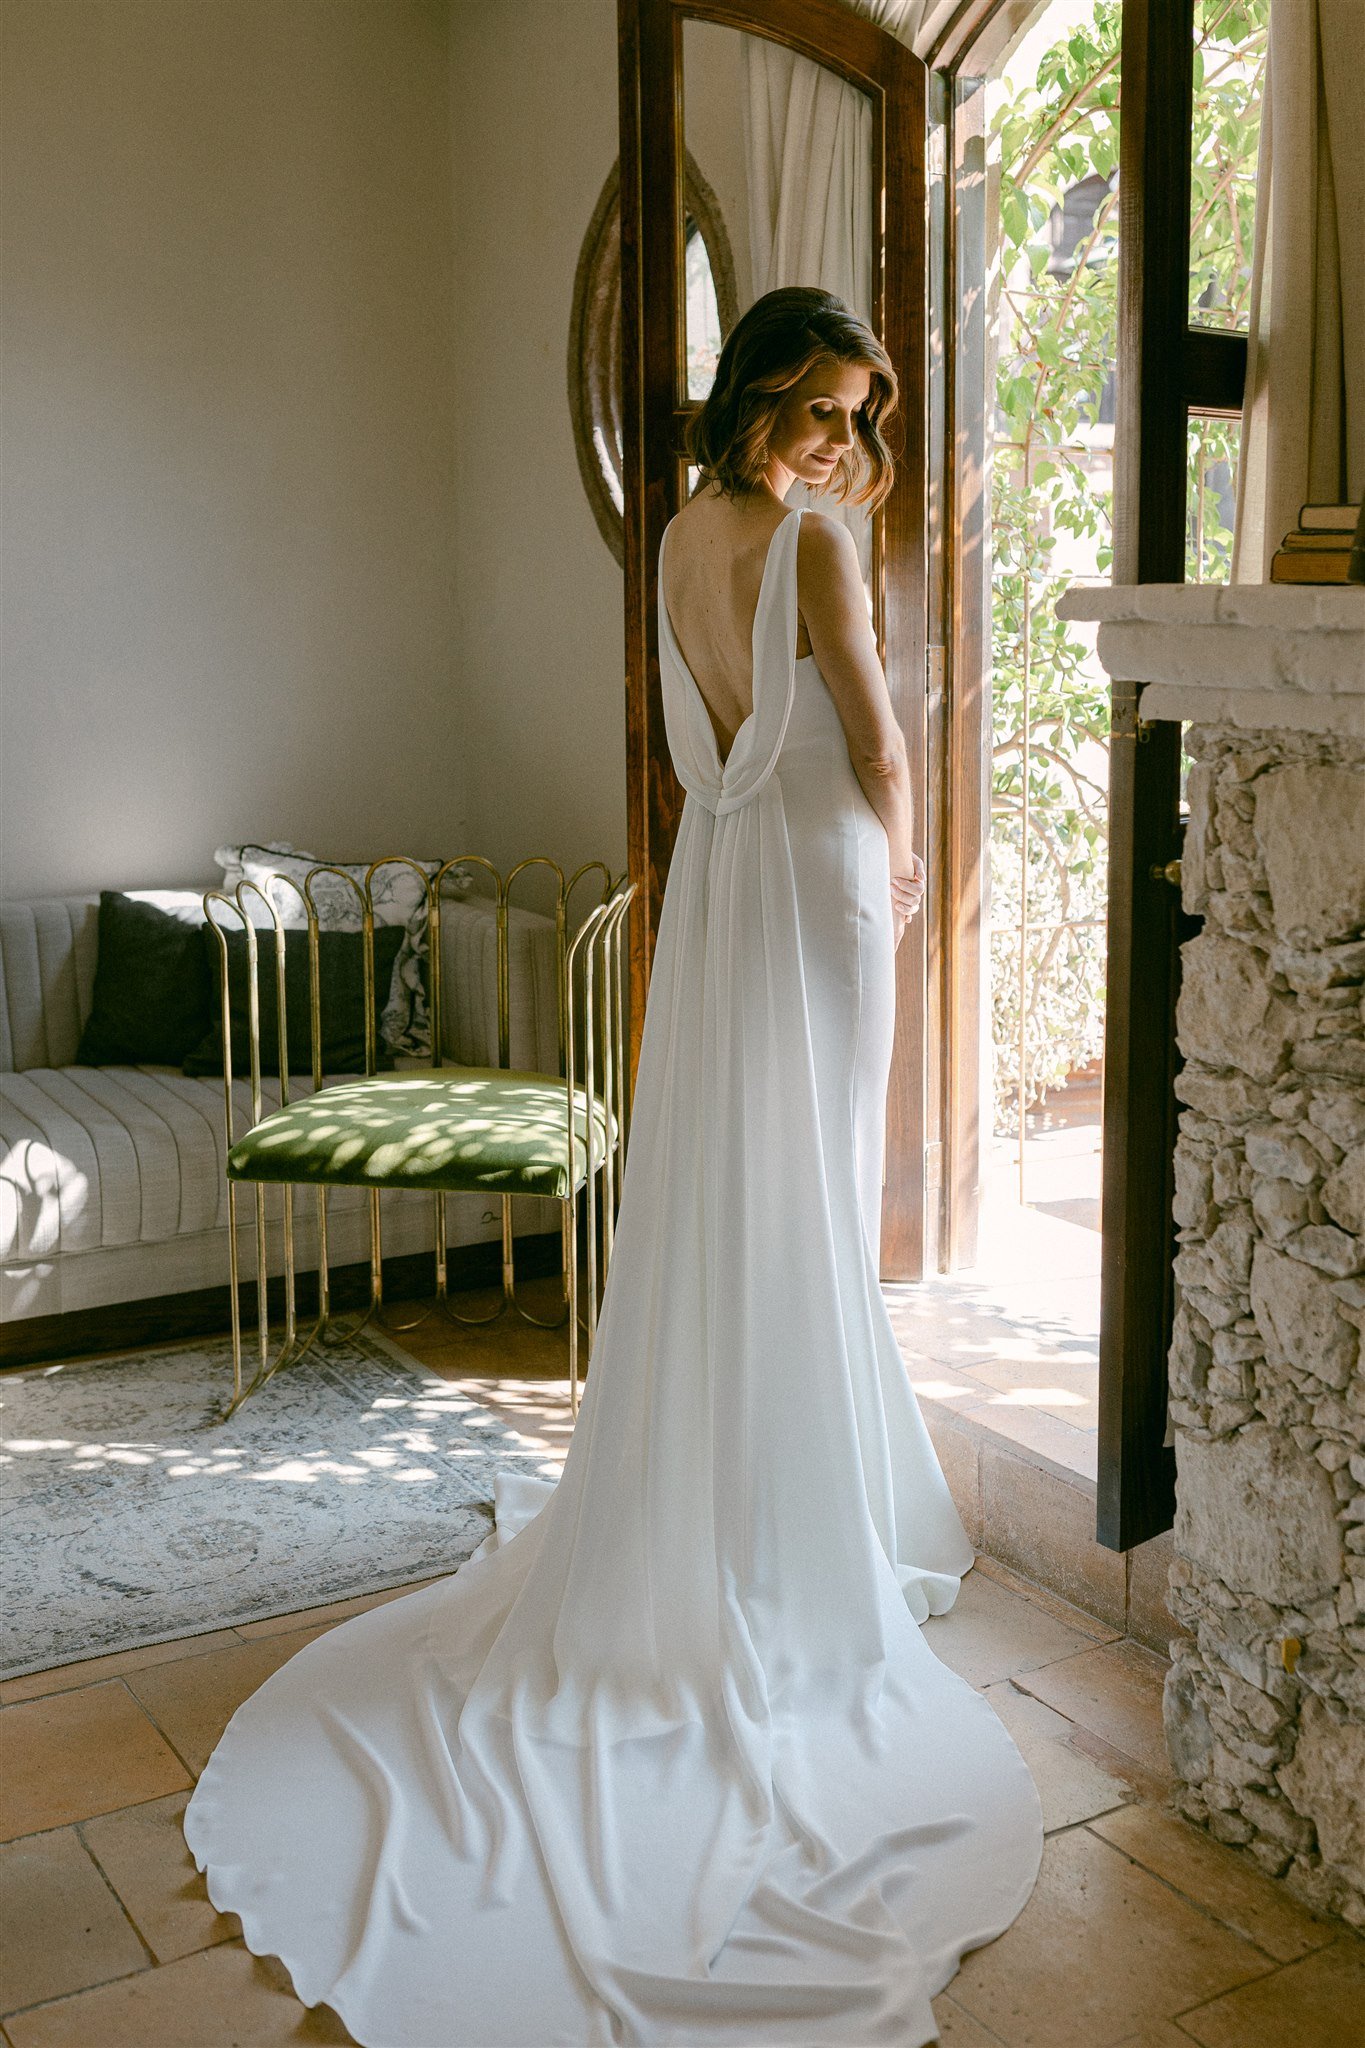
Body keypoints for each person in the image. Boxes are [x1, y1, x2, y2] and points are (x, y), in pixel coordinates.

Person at [184, 285, 1044, 2047]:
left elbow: (704, 739)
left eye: (865, 422)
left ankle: (742, 1487)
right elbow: (875, 732)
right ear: (762, 403)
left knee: (747, 1179)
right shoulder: (807, 545)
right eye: (827, 414)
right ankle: (791, 1531)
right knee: (803, 1187)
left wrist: (822, 546)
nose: (850, 449)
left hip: (726, 881)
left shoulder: (673, 538)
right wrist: (909, 861)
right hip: (814, 876)